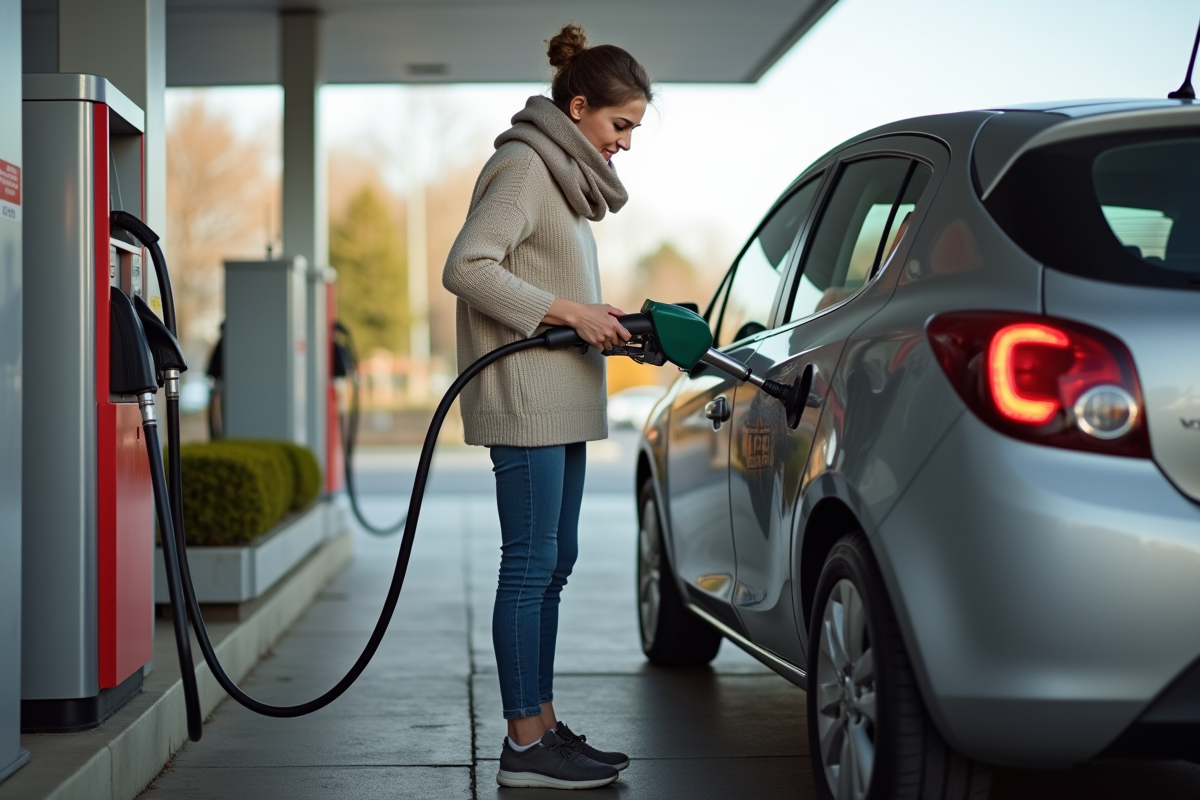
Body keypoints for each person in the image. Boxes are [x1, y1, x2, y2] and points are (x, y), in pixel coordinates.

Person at [442, 22, 652, 791]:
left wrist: (599, 321)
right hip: (525, 400)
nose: (626, 142)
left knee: (553, 565)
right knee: (530, 567)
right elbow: (466, 267)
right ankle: (524, 744)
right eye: (619, 125)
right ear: (578, 104)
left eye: (633, 129)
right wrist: (568, 310)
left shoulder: (560, 179)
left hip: (561, 399)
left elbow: (533, 278)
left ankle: (544, 721)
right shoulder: (526, 166)